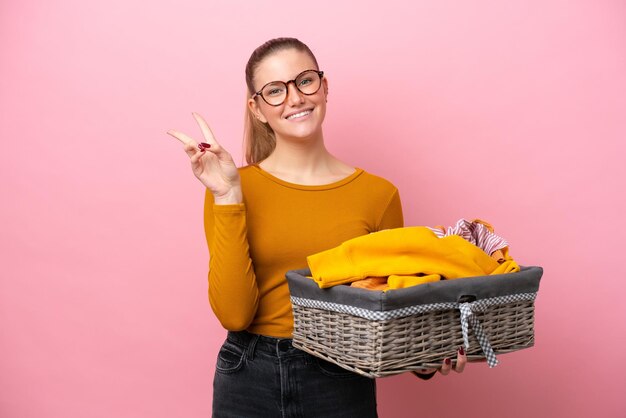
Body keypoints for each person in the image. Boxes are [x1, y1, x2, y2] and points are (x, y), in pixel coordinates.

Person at [167, 37, 466, 418]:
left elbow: (389, 305)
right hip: (247, 374)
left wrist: (423, 360)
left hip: (341, 373)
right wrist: (227, 196)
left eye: (304, 81)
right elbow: (235, 316)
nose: (294, 98)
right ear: (257, 109)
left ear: (324, 86)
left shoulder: (378, 195)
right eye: (275, 90)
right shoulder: (231, 187)